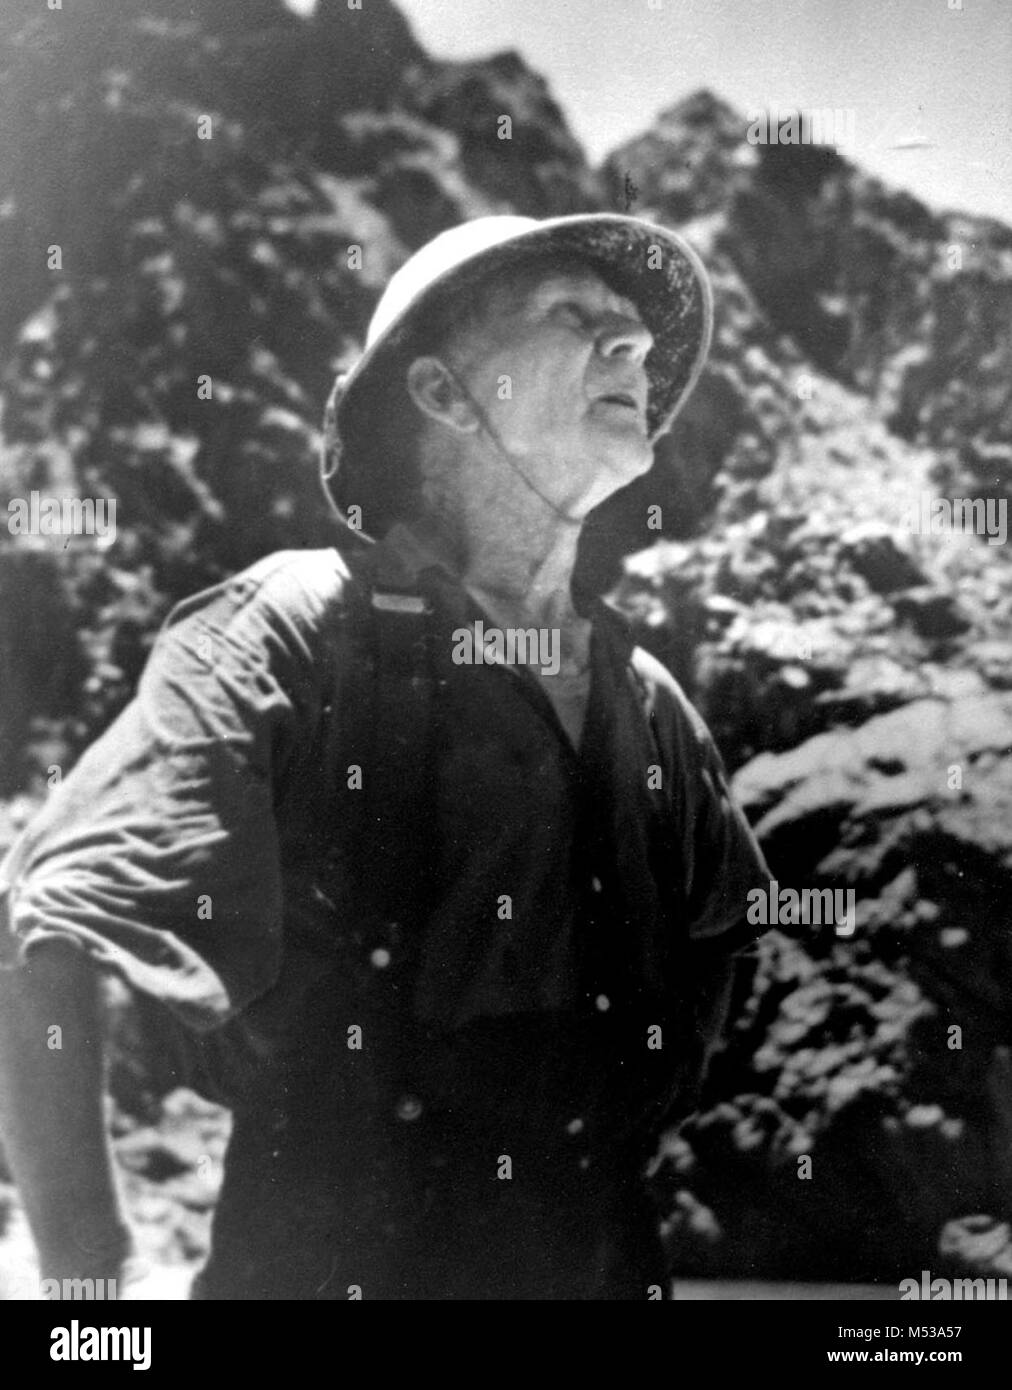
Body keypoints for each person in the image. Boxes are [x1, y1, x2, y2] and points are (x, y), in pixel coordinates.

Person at [0, 213, 770, 1301]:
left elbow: (723, 935)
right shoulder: (290, 630)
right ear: (444, 393)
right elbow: (52, 925)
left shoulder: (649, 704)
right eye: (574, 316)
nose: (634, 347)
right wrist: (89, 1292)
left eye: (637, 331)